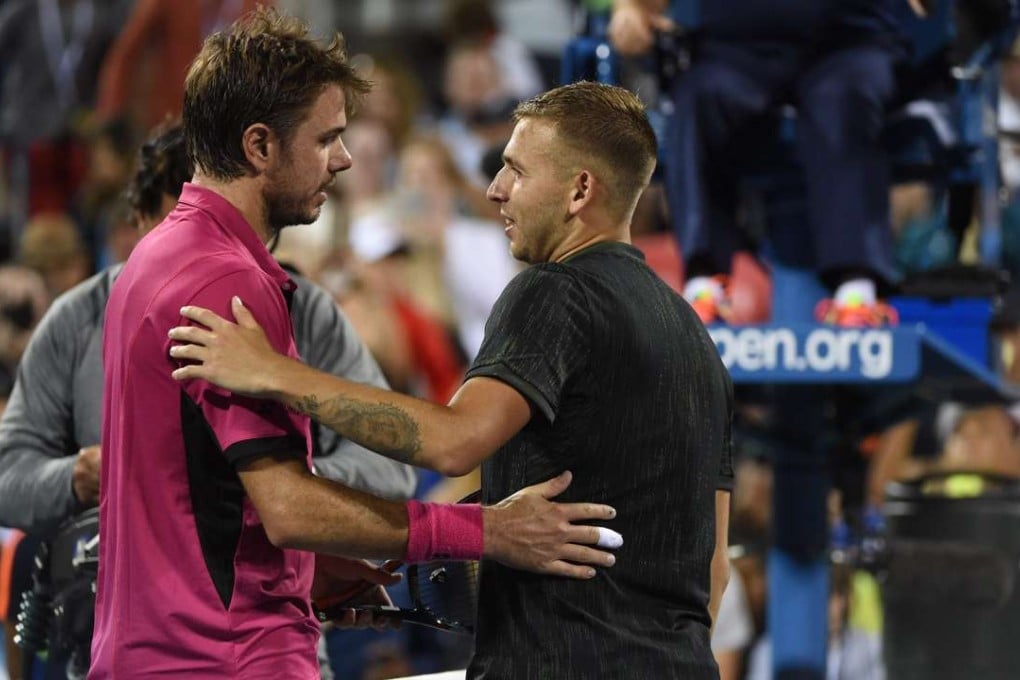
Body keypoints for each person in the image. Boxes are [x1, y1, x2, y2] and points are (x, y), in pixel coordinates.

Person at [91, 10, 620, 679]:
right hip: (228, 659)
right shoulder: (230, 279)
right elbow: (288, 508)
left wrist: (313, 569)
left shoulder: (156, 255)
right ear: (259, 147)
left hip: (151, 651)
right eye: (326, 139)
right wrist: (489, 532)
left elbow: (196, 494)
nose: (343, 159)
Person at [169, 80, 735, 679]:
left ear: (579, 190)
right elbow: (714, 569)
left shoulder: (556, 292)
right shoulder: (697, 341)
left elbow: (453, 441)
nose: (495, 190)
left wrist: (275, 373)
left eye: (515, 171)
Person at [0, 123, 414, 678]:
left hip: (271, 641)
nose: (203, 266)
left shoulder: (306, 313)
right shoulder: (78, 320)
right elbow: (7, 477)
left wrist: (271, 484)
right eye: (180, 234)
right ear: (139, 225)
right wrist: (80, 477)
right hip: (122, 640)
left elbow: (390, 468)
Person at [608, 0, 915, 326]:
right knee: (698, 99)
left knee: (844, 101)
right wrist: (630, 7)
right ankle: (704, 285)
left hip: (849, 44)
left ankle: (856, 293)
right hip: (737, 51)